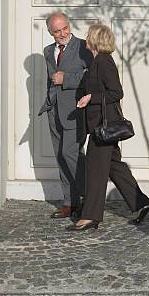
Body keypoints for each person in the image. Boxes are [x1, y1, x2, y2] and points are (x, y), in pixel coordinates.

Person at [68, 24, 149, 231]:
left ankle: (91, 216)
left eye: (89, 34)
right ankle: (141, 203)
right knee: (115, 167)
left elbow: (117, 92)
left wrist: (91, 97)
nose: (86, 37)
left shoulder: (104, 61)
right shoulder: (97, 61)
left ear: (96, 38)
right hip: (100, 126)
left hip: (103, 128)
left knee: (95, 170)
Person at [38, 11, 92, 219]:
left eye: (65, 29)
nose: (62, 34)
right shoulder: (48, 50)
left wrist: (67, 78)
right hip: (54, 111)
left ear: (70, 26)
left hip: (75, 111)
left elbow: (91, 76)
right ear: (50, 32)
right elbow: (50, 81)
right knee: (61, 156)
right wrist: (48, 104)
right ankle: (70, 202)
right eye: (56, 31)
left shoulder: (83, 47)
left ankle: (90, 200)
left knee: (72, 155)